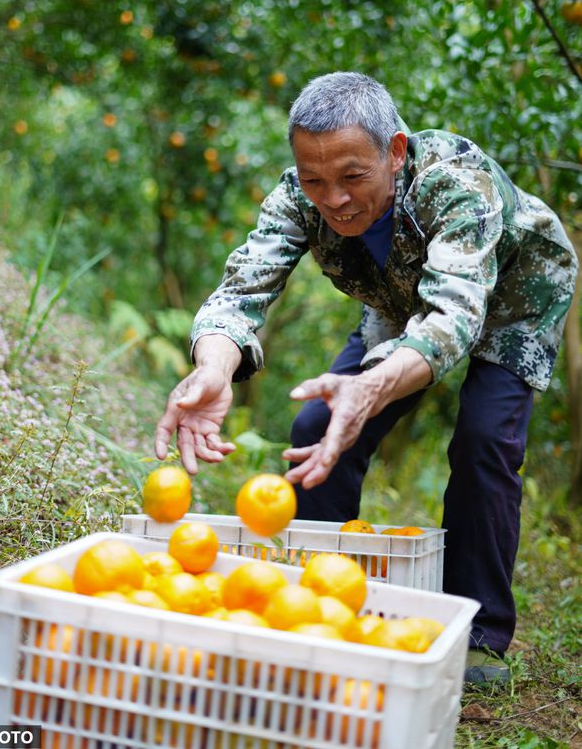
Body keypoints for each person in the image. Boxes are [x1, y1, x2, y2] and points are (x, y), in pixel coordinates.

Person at [155, 72, 577, 685]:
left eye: (353, 177)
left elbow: (452, 319)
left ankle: (478, 631)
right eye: (314, 180)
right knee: (320, 423)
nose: (334, 199)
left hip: (515, 295)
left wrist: (373, 385)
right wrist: (213, 368)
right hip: (403, 302)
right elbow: (240, 291)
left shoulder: (460, 186)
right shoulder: (302, 195)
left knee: (485, 440)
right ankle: (315, 598)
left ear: (395, 151)